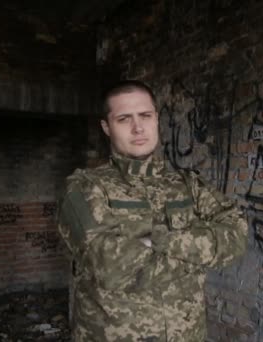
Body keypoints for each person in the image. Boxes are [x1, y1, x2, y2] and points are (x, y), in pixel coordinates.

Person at [58, 80, 247, 341]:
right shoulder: (85, 188)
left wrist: (159, 240)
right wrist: (199, 256)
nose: (138, 128)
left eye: (145, 116)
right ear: (106, 127)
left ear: (156, 118)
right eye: (124, 119)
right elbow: (111, 266)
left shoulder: (188, 184)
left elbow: (236, 235)